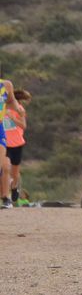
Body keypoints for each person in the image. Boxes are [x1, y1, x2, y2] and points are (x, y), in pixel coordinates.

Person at [0, 78, 25, 209]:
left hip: (14, 141)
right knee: (5, 166)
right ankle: (5, 196)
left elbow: (11, 102)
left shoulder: (6, 85)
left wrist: (16, 112)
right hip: (7, 141)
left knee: (9, 169)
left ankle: (9, 194)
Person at [3, 89, 30, 203]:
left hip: (17, 144)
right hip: (4, 144)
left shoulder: (19, 109)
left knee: (15, 173)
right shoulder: (2, 108)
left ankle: (14, 187)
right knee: (6, 167)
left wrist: (13, 118)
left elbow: (23, 126)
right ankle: (5, 195)